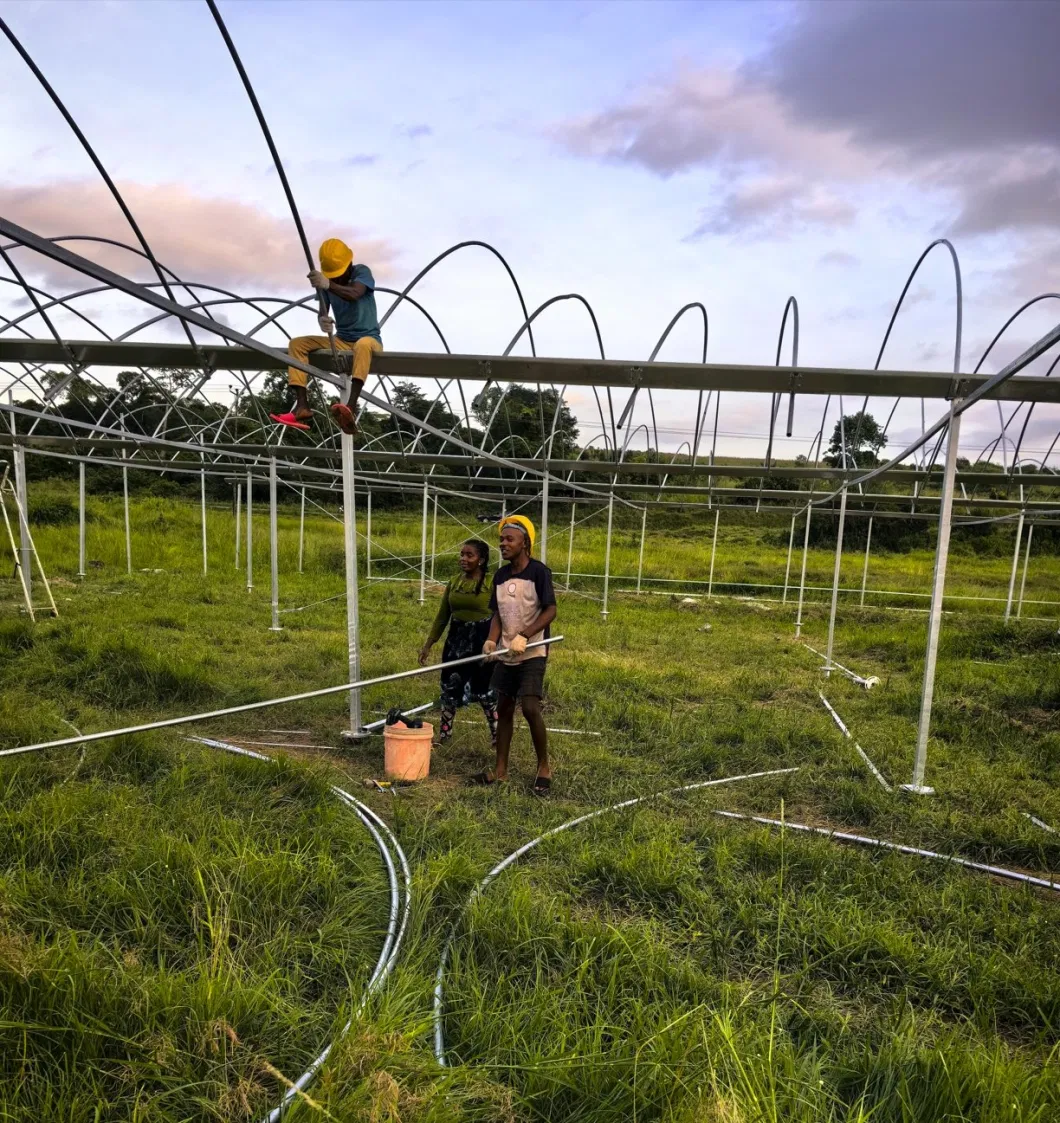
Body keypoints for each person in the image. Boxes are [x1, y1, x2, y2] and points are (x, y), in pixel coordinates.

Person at [474, 514, 557, 794]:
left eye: (510, 538)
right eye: (501, 539)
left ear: (525, 543)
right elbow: (497, 613)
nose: (503, 543)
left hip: (532, 650)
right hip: (507, 651)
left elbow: (550, 610)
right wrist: (491, 640)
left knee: (531, 707)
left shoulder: (538, 572)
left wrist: (525, 635)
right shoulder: (500, 576)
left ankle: (544, 767)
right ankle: (500, 771)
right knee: (504, 709)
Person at [270, 238, 382, 435]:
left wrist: (328, 283)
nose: (337, 279)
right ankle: (302, 405)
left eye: (339, 275)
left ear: (348, 265)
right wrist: (322, 320)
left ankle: (351, 406)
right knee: (297, 344)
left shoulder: (361, 273)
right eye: (333, 277)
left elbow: (355, 293)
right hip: (341, 340)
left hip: (370, 340)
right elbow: (323, 310)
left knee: (362, 345)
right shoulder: (326, 285)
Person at [418, 539, 499, 746]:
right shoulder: (454, 582)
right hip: (456, 642)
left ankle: (497, 736)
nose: (463, 559)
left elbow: (502, 614)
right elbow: (442, 615)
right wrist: (429, 644)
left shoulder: (492, 583)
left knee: (485, 690)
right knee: (450, 687)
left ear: (481, 560)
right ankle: (445, 736)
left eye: (469, 555)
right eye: (462, 554)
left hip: (483, 642)